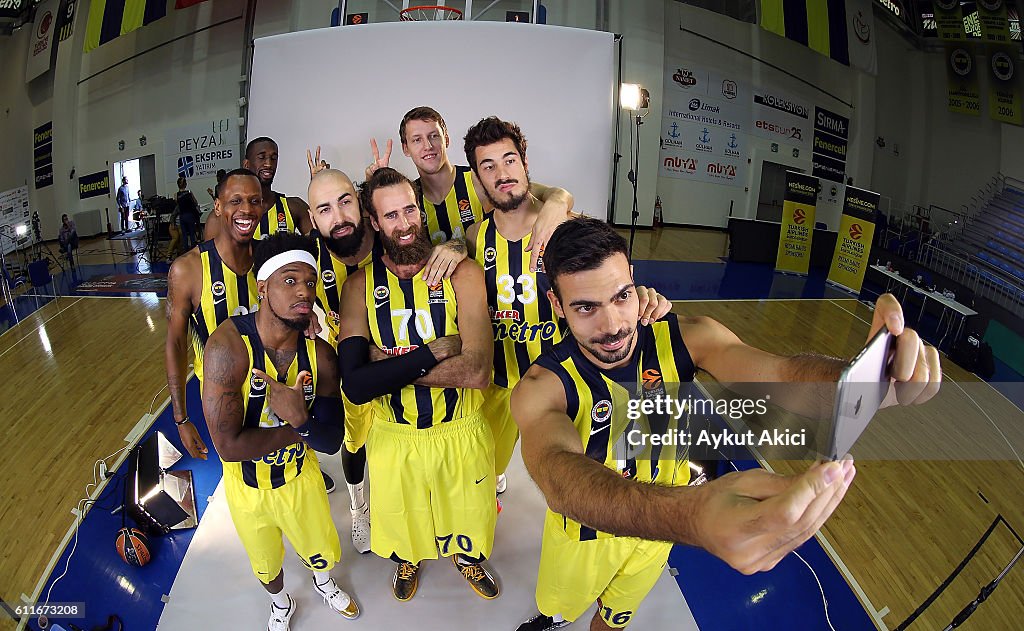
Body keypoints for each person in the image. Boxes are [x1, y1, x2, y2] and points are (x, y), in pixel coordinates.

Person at [510, 218, 942, 631]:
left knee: (618, 614)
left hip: (659, 527)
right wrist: (691, 516)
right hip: (592, 532)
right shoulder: (542, 385)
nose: (612, 326)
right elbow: (560, 474)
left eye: (621, 296)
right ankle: (556, 616)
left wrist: (861, 380)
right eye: (586, 307)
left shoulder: (686, 336)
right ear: (556, 304)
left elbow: (783, 379)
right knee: (559, 604)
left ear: (634, 281)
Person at [462, 116, 671, 495]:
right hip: (498, 379)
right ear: (477, 177)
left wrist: (640, 294)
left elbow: (611, 278)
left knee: (582, 481)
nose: (502, 172)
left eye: (509, 160)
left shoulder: (567, 227)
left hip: (566, 379)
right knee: (481, 472)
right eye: (488, 165)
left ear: (525, 165)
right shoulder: (475, 237)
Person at [337, 167, 498, 602]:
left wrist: (386, 367)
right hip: (394, 435)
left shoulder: (461, 274)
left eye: (410, 209)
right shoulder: (358, 288)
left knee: (467, 517)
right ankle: (409, 557)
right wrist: (432, 355)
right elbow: (355, 386)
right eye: (391, 216)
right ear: (374, 222)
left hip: (459, 430)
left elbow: (479, 372)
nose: (404, 224)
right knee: (403, 523)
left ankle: (465, 558)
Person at [201, 232, 360, 629]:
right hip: (246, 487)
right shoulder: (228, 346)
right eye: (290, 280)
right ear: (262, 287)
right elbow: (229, 447)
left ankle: (323, 583)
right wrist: (300, 427)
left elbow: (331, 439)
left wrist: (303, 421)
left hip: (299, 477)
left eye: (311, 282)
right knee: (266, 563)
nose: (304, 292)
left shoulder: (321, 354)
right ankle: (281, 604)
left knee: (321, 551)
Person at [366, 106, 573, 273]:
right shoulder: (409, 197)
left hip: (487, 281)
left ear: (446, 139)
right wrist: (376, 184)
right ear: (406, 149)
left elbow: (528, 191)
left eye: (434, 136)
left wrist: (559, 201)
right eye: (416, 140)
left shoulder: (478, 178)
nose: (427, 146)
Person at [304, 168, 380, 553]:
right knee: (355, 444)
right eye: (324, 209)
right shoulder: (310, 259)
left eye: (345, 201)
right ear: (313, 220)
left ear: (361, 201)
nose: (338, 217)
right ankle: (359, 510)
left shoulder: (389, 235)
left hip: (400, 362)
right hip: (352, 369)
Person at [165, 169, 262, 462]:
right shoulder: (188, 269)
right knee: (242, 481)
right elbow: (176, 345)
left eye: (254, 201)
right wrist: (181, 419)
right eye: (235, 201)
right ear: (218, 207)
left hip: (271, 385)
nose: (246, 209)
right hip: (223, 398)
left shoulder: (269, 259)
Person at [176, 177, 202, 251]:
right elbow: (195, 203)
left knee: (184, 235)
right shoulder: (189, 193)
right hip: (190, 215)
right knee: (191, 233)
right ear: (185, 184)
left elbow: (178, 205)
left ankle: (185, 251)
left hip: (182, 216)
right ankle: (193, 250)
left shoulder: (176, 195)